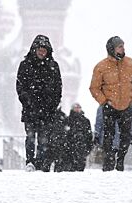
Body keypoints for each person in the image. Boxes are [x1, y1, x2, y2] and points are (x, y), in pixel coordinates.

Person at [90, 36, 132, 171]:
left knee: (125, 136)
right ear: (111, 49)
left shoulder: (131, 64)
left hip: (126, 106)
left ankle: (121, 161)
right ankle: (109, 161)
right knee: (108, 135)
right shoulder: (101, 66)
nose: (123, 49)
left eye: (123, 46)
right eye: (120, 46)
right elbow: (94, 87)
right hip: (110, 106)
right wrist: (104, 102)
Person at [16, 34, 62, 172]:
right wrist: (27, 101)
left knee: (43, 139)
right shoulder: (25, 65)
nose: (42, 52)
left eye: (44, 50)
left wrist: (51, 105)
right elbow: (20, 86)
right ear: (34, 49)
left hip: (47, 110)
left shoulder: (53, 66)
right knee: (30, 137)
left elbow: (58, 88)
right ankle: (30, 162)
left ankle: (40, 163)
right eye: (40, 49)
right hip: (30, 109)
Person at [63, 103, 94, 171]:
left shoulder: (86, 121)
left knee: (80, 170)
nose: (77, 109)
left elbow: (89, 136)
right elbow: (64, 135)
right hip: (69, 149)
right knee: (69, 170)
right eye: (75, 107)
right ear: (72, 109)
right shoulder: (67, 120)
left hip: (82, 149)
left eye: (79, 107)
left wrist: (89, 147)